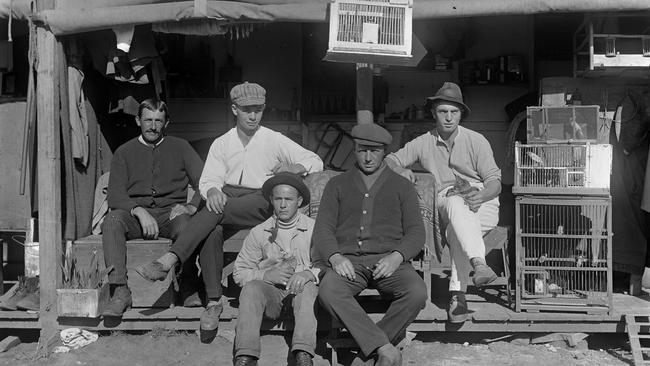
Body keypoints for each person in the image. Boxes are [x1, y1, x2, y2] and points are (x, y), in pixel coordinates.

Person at [136, 82, 323, 337]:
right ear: (235, 109)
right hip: (228, 200)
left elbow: (315, 160)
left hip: (261, 200)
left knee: (215, 212)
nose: (253, 115)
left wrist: (296, 167)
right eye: (246, 110)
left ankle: (171, 258)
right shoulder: (222, 143)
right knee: (213, 229)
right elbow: (209, 179)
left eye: (258, 109)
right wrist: (212, 191)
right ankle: (214, 302)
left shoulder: (273, 139)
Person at [385, 81, 501, 323]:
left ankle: (460, 294)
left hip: (482, 200)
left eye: (454, 112)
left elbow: (494, 182)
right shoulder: (424, 141)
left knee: (457, 231)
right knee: (456, 204)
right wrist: (399, 169)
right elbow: (390, 160)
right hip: (448, 200)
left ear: (461, 114)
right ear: (433, 113)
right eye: (443, 111)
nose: (448, 118)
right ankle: (474, 269)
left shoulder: (476, 140)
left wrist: (482, 195)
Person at [314, 123, 427, 366]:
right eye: (362, 150)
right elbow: (322, 229)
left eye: (374, 151)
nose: (367, 157)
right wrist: (335, 257)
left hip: (390, 262)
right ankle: (385, 348)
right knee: (328, 290)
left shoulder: (402, 185)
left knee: (416, 292)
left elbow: (417, 232)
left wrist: (397, 255)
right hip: (349, 263)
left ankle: (371, 350)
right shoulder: (337, 185)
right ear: (354, 150)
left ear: (384, 152)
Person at [101, 99, 205, 316]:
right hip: (136, 216)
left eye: (159, 120)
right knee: (111, 221)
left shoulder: (181, 147)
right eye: (148, 120)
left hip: (171, 214)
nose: (153, 126)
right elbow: (115, 195)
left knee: (188, 225)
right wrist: (137, 211)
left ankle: (187, 285)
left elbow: (205, 183)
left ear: (166, 123)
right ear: (138, 120)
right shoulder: (124, 151)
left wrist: (191, 207)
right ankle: (120, 291)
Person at [232, 172, 319, 366]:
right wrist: (266, 275)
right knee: (251, 288)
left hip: (304, 298)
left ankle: (303, 354)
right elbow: (239, 272)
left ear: (300, 201)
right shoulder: (259, 232)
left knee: (309, 287)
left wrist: (307, 274)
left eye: (289, 199)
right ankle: (246, 355)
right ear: (271, 200)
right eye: (278, 199)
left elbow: (328, 265)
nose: (283, 204)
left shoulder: (315, 229)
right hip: (273, 299)